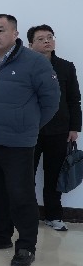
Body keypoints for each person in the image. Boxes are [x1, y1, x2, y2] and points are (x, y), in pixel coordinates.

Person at [0, 14, 59, 266]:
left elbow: (51, 101)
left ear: (15, 34)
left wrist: (27, 125)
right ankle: (1, 236)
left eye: (0, 30)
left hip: (18, 143)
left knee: (21, 195)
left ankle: (26, 245)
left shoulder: (34, 62)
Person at [27, 24, 81, 232]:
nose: (47, 41)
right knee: (25, 175)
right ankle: (26, 215)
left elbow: (74, 99)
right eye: (41, 39)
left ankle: (53, 216)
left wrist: (74, 127)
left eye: (50, 37)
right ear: (31, 45)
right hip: (29, 129)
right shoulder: (24, 66)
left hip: (59, 130)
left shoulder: (66, 67)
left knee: (54, 175)